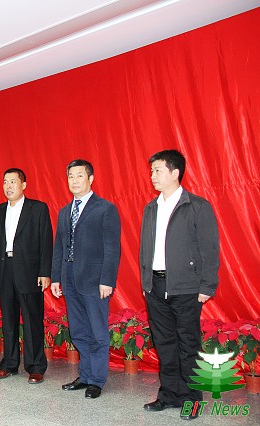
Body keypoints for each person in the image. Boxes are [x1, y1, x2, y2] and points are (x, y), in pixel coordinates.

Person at [140, 150, 219, 420]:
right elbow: (145, 249)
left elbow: (209, 248)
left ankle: (192, 398)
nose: (153, 176)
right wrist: (146, 282)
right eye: (152, 171)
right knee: (164, 343)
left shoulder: (196, 206)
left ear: (175, 173)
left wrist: (207, 285)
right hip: (156, 286)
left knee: (188, 344)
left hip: (186, 287)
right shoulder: (151, 208)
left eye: (158, 170)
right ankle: (169, 394)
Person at [51, 159, 121, 399]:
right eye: (71, 176)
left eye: (79, 176)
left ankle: (97, 380)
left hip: (94, 280)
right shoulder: (64, 211)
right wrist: (56, 278)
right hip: (69, 277)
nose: (74, 180)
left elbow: (112, 248)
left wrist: (107, 280)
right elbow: (59, 247)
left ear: (90, 179)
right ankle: (85, 375)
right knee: (79, 330)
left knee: (97, 332)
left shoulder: (105, 208)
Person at [0, 168, 52, 384]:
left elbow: (46, 241)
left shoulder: (38, 208)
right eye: (5, 182)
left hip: (29, 271)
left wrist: (45, 272)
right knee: (8, 319)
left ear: (23, 185)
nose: (8, 186)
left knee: (32, 319)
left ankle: (35, 366)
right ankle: (9, 364)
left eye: (13, 181)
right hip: (4, 269)